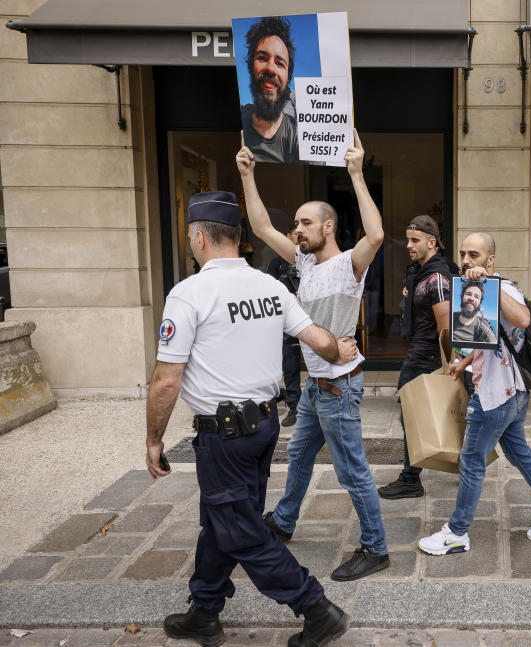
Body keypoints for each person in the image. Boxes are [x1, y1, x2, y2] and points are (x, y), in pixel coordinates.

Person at [146, 191, 356, 647]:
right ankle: (204, 609)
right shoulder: (270, 286)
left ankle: (315, 607)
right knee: (222, 518)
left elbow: (165, 381)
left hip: (224, 436)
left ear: (199, 237)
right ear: (238, 238)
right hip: (262, 428)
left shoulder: (189, 293)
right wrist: (337, 348)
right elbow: (314, 336)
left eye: (189, 236)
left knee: (239, 528)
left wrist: (153, 440)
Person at [237, 129, 391, 582]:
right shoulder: (303, 262)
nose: (296, 230)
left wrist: (357, 174)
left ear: (327, 227)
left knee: (353, 472)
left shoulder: (349, 266)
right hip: (315, 387)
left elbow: (377, 233)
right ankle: (283, 522)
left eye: (305, 223)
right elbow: (262, 227)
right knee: (300, 457)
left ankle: (376, 547)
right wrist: (248, 175)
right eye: (296, 224)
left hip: (339, 388)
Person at [417, 232, 531, 555]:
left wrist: (491, 283)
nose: (465, 261)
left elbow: (523, 318)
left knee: (472, 461)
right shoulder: (473, 292)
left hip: (495, 396)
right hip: (511, 394)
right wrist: (462, 363)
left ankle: (457, 533)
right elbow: (484, 340)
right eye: (463, 254)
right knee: (520, 454)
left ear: (490, 260)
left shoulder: (503, 288)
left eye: (474, 255)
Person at [378, 215, 459, 500]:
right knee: (421, 414)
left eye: (415, 241)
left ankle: (411, 479)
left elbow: (446, 326)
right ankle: (461, 462)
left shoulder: (436, 278)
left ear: (432, 242)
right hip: (418, 352)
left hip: (424, 357)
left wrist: (452, 363)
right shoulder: (421, 273)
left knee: (411, 415)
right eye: (408, 239)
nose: (408, 245)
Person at [241, 16, 298, 164]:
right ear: (250, 67)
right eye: (262, 58)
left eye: (279, 63)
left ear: (288, 77)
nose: (271, 69)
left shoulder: (298, 137)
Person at [265, 224, 302, 427]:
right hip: (287, 322)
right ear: (287, 236)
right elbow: (269, 292)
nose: (299, 238)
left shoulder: (310, 260)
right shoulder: (277, 264)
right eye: (296, 234)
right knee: (290, 364)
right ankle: (294, 405)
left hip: (310, 319)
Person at [451, 279, 497, 345]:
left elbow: (494, 343)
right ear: (462, 297)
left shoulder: (482, 328)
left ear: (479, 303)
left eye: (476, 297)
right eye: (468, 294)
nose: (472, 299)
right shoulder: (450, 317)